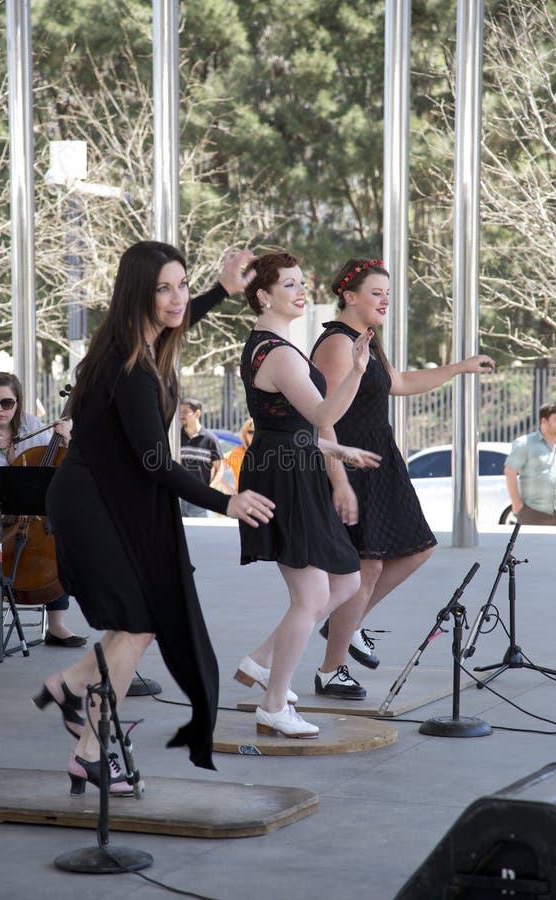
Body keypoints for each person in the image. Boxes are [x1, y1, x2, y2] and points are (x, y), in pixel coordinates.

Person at [38, 240, 274, 795]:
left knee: (136, 625)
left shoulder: (133, 343)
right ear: (137, 295)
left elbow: (180, 317)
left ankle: (77, 707)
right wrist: (226, 501)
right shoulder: (132, 368)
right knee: (139, 622)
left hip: (108, 498)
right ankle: (85, 732)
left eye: (181, 285)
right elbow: (154, 462)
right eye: (162, 288)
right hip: (96, 502)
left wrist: (222, 288)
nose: (175, 299)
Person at [312, 258, 495, 670]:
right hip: (354, 463)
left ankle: (347, 622)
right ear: (349, 297)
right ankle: (332, 668)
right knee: (368, 565)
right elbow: (323, 420)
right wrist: (339, 480)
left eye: (388, 294)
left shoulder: (367, 340)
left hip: (383, 462)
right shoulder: (338, 344)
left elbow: (400, 383)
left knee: (417, 549)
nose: (385, 301)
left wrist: (461, 367)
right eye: (376, 293)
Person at [233, 251, 382, 739]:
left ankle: (262, 662)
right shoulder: (274, 351)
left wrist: (338, 450)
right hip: (286, 476)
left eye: (302, 282)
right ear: (263, 295)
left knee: (342, 582)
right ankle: (275, 703)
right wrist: (357, 371)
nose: (301, 291)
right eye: (289, 284)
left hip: (293, 465)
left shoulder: (272, 345)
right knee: (315, 592)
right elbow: (318, 413)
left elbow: (289, 428)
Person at [0, 372, 86, 653]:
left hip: (29, 515)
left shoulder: (30, 424)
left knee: (63, 539)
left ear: (17, 404)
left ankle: (56, 624)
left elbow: (66, 468)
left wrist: (66, 440)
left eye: (7, 403)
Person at [504, 401, 556, 525]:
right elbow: (510, 471)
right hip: (534, 514)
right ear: (544, 421)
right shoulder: (525, 443)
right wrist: (517, 505)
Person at [179, 398, 225, 516]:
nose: (181, 415)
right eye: (180, 412)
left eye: (185, 412)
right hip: (178, 499)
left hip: (200, 502)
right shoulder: (176, 438)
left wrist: (209, 491)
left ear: (197, 413)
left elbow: (220, 469)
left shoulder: (211, 440)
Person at [224, 417, 254, 491]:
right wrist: (230, 490)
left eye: (257, 431)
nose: (253, 435)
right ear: (244, 433)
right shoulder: (238, 452)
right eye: (250, 432)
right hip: (244, 498)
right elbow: (216, 470)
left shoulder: (269, 452)